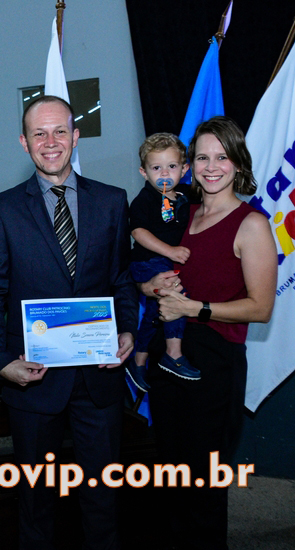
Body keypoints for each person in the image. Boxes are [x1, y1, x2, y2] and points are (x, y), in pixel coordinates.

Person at [0, 95, 137, 550]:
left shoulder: (111, 201)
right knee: (36, 490)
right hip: (33, 378)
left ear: (75, 136)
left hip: (98, 375)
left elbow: (121, 280)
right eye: (39, 134)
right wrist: (1, 360)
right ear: (24, 143)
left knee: (102, 485)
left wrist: (127, 331)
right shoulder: (1, 210)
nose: (50, 142)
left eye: (60, 131)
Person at [148, 116, 276, 550]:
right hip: (171, 352)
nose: (211, 166)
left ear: (238, 163)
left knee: (204, 470)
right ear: (189, 166)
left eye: (222, 156)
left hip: (215, 360)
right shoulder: (182, 215)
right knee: (173, 463)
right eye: (202, 156)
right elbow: (156, 268)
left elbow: (260, 307)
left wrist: (194, 308)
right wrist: (153, 286)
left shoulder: (251, 224)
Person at [126, 132, 197, 391]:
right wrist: (170, 251)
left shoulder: (186, 195)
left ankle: (138, 361)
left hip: (165, 262)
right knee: (175, 295)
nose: (164, 173)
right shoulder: (145, 199)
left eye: (172, 166)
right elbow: (138, 232)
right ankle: (173, 353)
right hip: (148, 261)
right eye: (156, 168)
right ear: (144, 172)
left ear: (184, 170)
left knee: (154, 314)